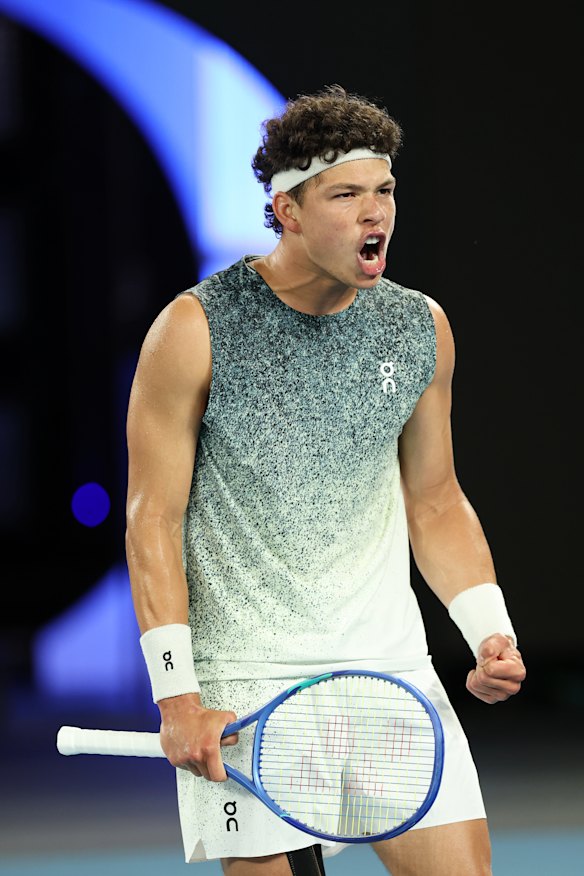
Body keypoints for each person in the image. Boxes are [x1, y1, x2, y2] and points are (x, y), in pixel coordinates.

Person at [125, 84, 526, 876]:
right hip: (248, 684)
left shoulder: (420, 328)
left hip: (390, 671)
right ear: (288, 210)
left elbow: (435, 499)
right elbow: (151, 520)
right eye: (346, 194)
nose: (375, 212)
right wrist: (177, 695)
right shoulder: (194, 329)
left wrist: (487, 627)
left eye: (384, 191)